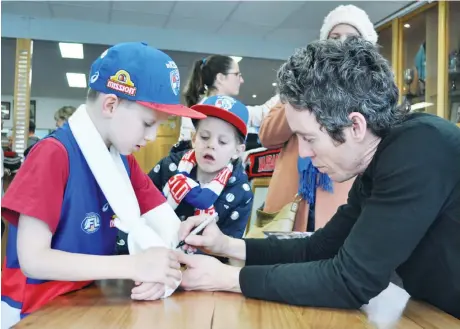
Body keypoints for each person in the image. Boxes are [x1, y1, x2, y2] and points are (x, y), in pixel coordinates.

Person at [175, 38, 460, 319]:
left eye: (309, 138)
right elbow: (319, 248)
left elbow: (349, 282)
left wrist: (228, 278)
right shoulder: (380, 162)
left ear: (355, 126)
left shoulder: (419, 149)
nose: (304, 152)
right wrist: (226, 245)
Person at [1, 42, 205, 328]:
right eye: (148, 123)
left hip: (87, 299)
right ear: (111, 104)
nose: (153, 136)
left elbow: (164, 222)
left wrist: (166, 261)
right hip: (36, 310)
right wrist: (135, 265)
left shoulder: (122, 160)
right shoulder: (54, 154)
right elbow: (33, 260)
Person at [259, 4, 377, 231]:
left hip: (341, 200)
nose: (342, 42)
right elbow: (267, 136)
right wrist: (302, 95)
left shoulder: (371, 92)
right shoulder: (298, 84)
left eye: (351, 37)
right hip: (290, 201)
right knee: (281, 260)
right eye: (335, 36)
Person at [116, 95, 254, 255]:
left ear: (238, 151)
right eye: (204, 137)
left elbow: (228, 248)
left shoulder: (241, 193)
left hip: (203, 270)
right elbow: (135, 209)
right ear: (194, 139)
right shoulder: (168, 167)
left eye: (222, 142)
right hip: (148, 255)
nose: (211, 145)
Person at [175, 55, 278, 153]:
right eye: (237, 74)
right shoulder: (218, 108)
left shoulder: (199, 108)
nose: (241, 80)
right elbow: (263, 114)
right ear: (220, 78)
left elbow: (262, 113)